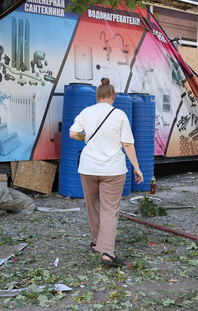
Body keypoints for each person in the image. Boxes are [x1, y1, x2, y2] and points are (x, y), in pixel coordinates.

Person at [69, 78, 143, 267]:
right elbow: (127, 144)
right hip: (113, 170)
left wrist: (86, 136)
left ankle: (96, 242)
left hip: (88, 168)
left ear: (97, 96)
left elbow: (73, 133)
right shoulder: (119, 115)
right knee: (109, 210)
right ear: (113, 96)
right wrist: (136, 167)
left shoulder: (86, 112)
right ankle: (107, 253)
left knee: (93, 206)